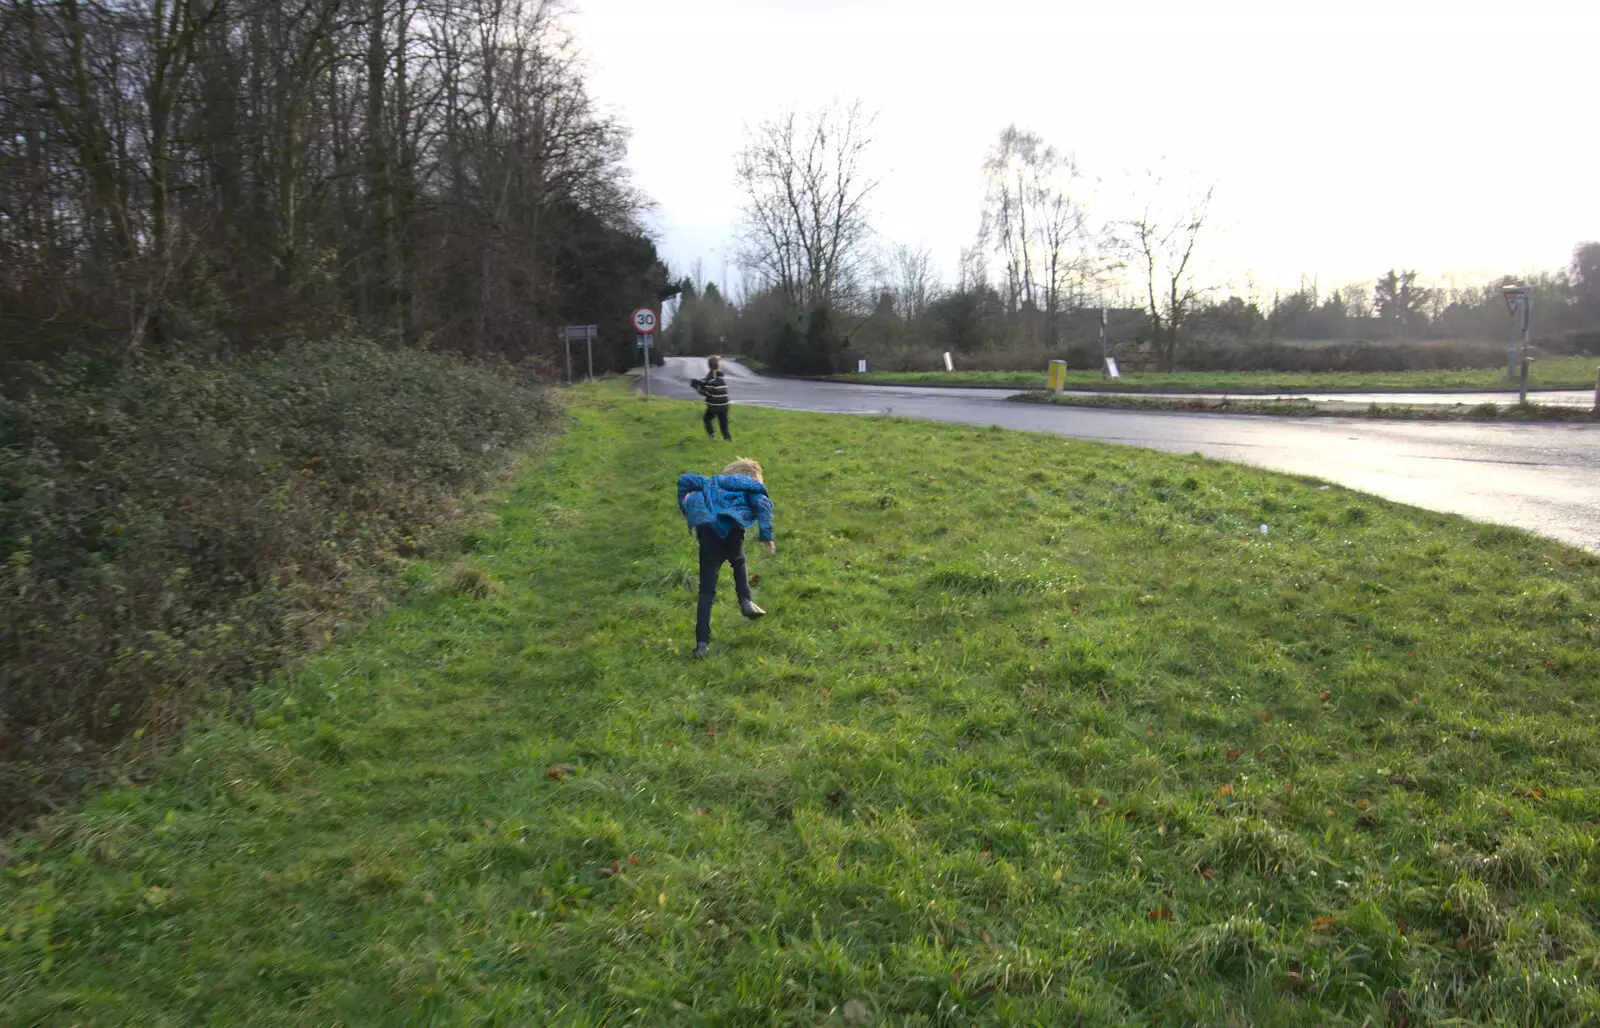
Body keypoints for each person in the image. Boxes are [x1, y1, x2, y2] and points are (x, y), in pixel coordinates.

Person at [677, 457, 775, 658]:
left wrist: (684, 506)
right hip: (731, 532)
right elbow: (763, 506)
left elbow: (684, 481)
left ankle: (702, 644)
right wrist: (766, 535)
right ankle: (745, 600)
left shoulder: (711, 482)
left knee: (706, 592)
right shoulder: (751, 488)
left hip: (707, 534)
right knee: (738, 562)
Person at [690, 355, 732, 441]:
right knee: (723, 425)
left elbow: (707, 393)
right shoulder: (721, 378)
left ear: (709, 365)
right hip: (724, 406)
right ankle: (728, 440)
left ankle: (712, 436)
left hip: (714, 406)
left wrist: (698, 389)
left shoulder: (711, 380)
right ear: (718, 365)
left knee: (707, 419)